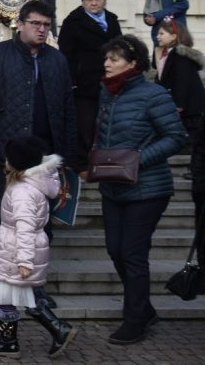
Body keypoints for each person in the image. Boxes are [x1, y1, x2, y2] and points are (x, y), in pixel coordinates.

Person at [0, 0, 79, 268]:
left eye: (46, 25)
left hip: (44, 158)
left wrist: (70, 155)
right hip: (4, 154)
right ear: (20, 24)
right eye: (36, 24)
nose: (41, 30)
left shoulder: (57, 60)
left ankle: (36, 286)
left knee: (40, 222)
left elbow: (67, 109)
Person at [95, 34, 185, 344]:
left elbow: (176, 137)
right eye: (106, 58)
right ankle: (144, 308)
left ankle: (134, 319)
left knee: (132, 253)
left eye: (114, 59)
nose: (106, 63)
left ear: (133, 63)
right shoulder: (108, 93)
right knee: (115, 250)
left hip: (148, 188)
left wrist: (137, 161)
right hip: (113, 186)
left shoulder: (154, 94)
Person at [0, 137, 76, 358]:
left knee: (14, 297)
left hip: (16, 250)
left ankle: (57, 329)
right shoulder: (27, 184)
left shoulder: (23, 192)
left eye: (8, 157)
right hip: (13, 247)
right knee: (14, 297)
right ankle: (10, 341)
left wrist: (24, 261)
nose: (4, 160)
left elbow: (25, 228)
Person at [58, 0, 122, 161]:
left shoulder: (112, 20)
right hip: (83, 82)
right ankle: (84, 162)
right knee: (85, 124)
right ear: (83, 2)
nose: (94, 3)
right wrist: (71, 81)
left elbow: (121, 48)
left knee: (109, 121)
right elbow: (65, 54)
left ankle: (108, 158)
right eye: (89, 0)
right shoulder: (73, 22)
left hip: (111, 80)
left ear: (104, 1)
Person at [154, 20, 204, 175]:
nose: (158, 37)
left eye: (162, 33)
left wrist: (179, 104)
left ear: (174, 36)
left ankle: (197, 170)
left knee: (198, 140)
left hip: (189, 106)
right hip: (177, 104)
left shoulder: (180, 55)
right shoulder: (165, 54)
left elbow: (182, 81)